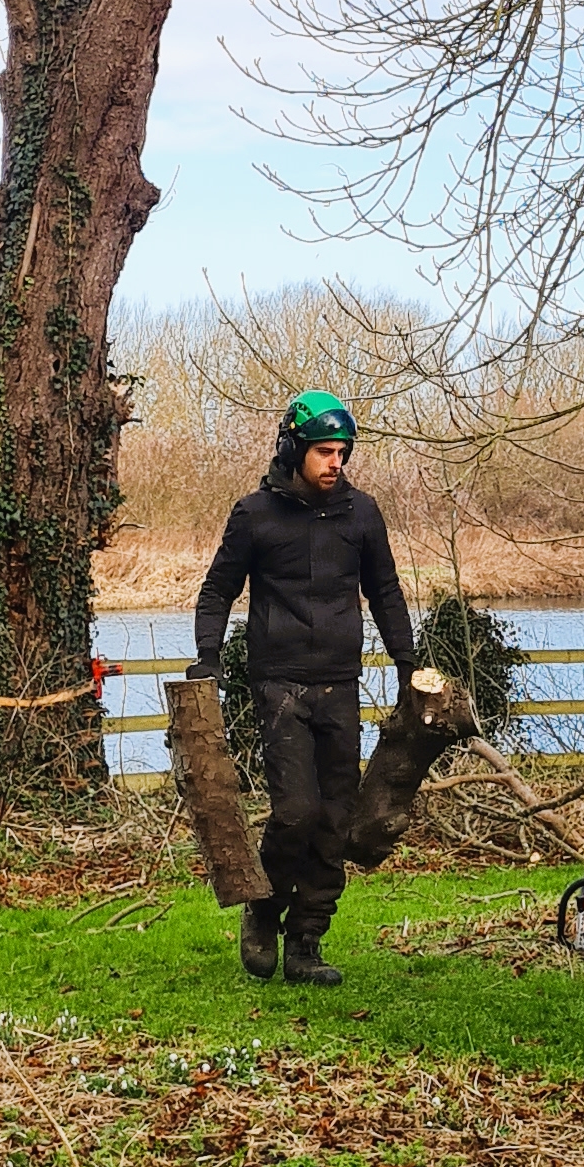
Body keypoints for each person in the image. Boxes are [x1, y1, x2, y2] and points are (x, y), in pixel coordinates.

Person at [191, 390, 418, 987]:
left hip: (340, 684)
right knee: (295, 811)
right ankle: (263, 910)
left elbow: (386, 591)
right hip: (279, 684)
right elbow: (218, 591)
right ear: (293, 449)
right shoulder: (254, 515)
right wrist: (207, 659)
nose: (334, 463)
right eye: (323, 451)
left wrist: (407, 662)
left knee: (335, 820)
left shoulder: (361, 514)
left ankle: (307, 942)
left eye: (341, 452)